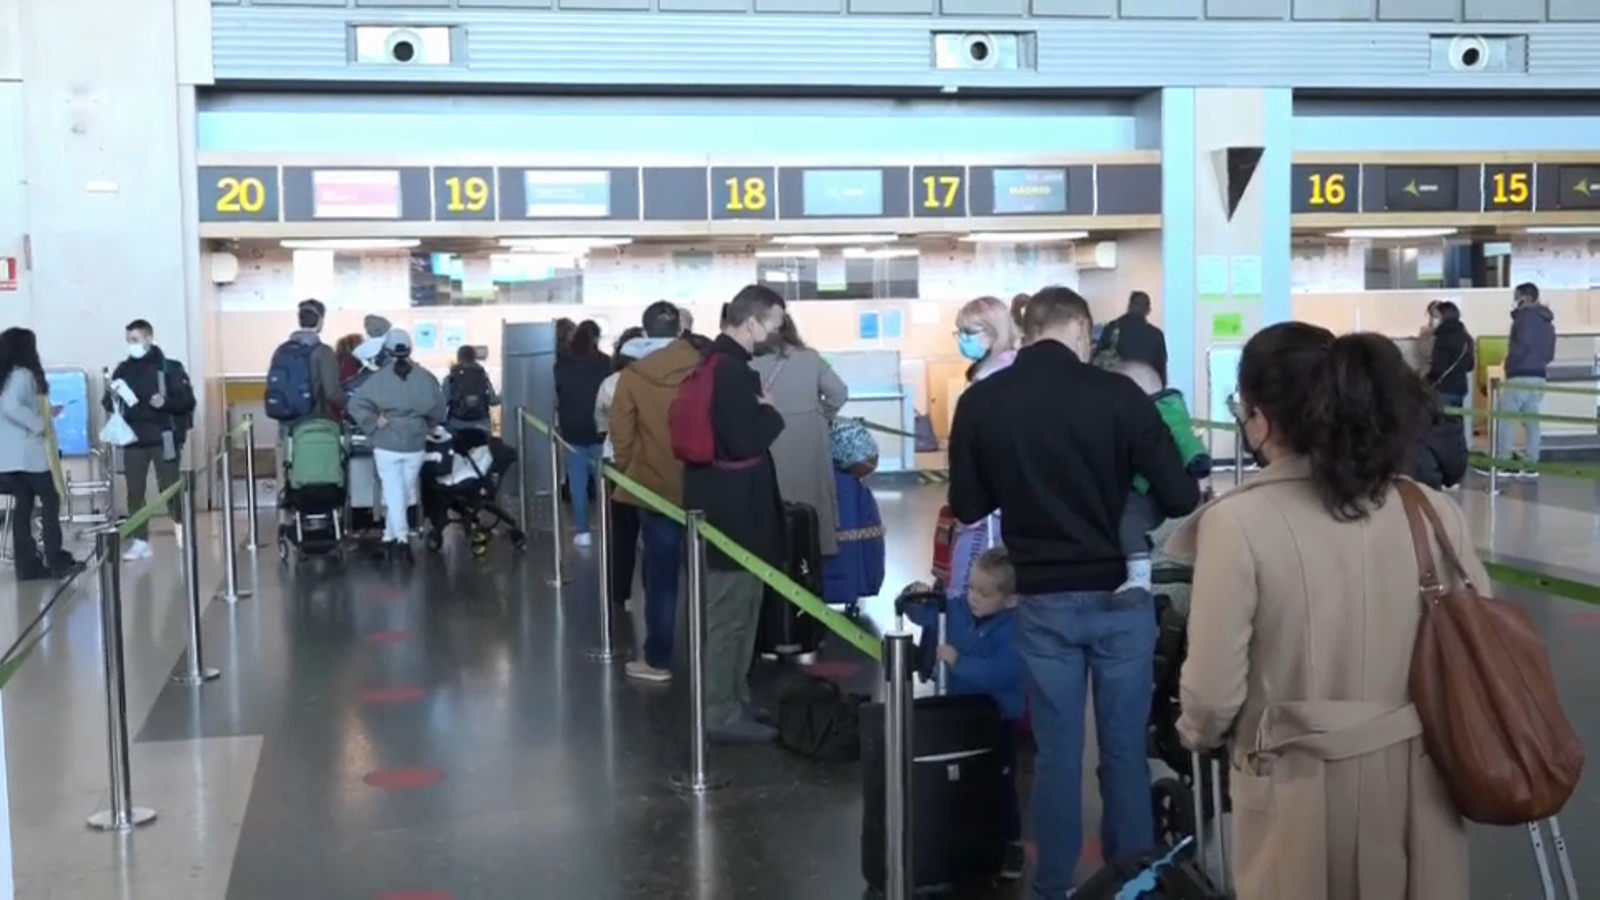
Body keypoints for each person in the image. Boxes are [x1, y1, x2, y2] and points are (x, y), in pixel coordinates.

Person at [1169, 322, 1474, 899]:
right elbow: (1475, 642)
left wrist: (1196, 733)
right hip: (1419, 785)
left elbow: (1211, 694)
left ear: (1259, 418)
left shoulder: (1238, 524)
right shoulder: (1429, 510)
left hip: (1295, 792)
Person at [947, 286, 1200, 897]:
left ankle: (1051, 888)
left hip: (1041, 602)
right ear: (1082, 331)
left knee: (1057, 759)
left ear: (1030, 330)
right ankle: (1134, 885)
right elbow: (1181, 497)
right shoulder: (1118, 395)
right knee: (1122, 756)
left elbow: (969, 504)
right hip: (1122, 600)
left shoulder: (982, 401)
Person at [680, 285, 787, 742]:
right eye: (774, 324)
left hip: (721, 501)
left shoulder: (714, 364)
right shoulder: (731, 372)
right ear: (752, 322)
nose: (776, 333)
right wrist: (772, 415)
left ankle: (734, 694)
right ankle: (719, 709)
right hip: (735, 509)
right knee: (730, 613)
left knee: (742, 608)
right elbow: (745, 439)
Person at [904, 548, 1027, 880]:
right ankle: (963, 839)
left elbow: (1005, 673)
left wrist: (959, 662)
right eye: (971, 587)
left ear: (1010, 599)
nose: (973, 597)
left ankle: (1009, 843)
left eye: (984, 593)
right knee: (958, 778)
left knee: (1000, 783)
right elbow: (926, 614)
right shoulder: (956, 609)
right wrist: (914, 596)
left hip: (996, 719)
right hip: (957, 714)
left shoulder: (1014, 630)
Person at [610, 304, 701, 683]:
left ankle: (658, 659)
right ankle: (710, 657)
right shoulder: (703, 364)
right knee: (713, 575)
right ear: (680, 328)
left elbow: (621, 431)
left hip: (654, 486)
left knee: (660, 578)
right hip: (704, 484)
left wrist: (632, 470)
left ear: (645, 332)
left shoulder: (632, 375)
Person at [1108, 360, 1210, 604]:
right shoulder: (1163, 411)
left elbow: (1186, 441)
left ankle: (1139, 576)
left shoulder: (1163, 413)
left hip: (1149, 493)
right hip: (1152, 492)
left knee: (1128, 523)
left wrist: (1197, 460)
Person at [750, 314, 849, 560]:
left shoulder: (747, 363)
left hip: (766, 438)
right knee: (812, 507)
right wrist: (819, 413)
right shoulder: (810, 358)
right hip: (809, 439)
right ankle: (810, 571)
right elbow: (839, 393)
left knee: (771, 509)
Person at [102, 319, 196, 560]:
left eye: (135, 339)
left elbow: (187, 401)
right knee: (135, 491)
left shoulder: (170, 368)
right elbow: (108, 404)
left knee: (171, 487)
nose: (131, 345)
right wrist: (111, 395)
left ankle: (181, 530)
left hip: (163, 436)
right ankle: (140, 540)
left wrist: (165, 403)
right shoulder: (122, 370)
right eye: (128, 340)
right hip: (133, 438)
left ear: (148, 338)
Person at [348, 329, 445, 560]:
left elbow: (354, 405)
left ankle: (400, 540)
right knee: (402, 492)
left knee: (394, 493)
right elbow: (439, 411)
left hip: (386, 443)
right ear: (410, 349)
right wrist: (425, 424)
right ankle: (388, 540)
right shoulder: (425, 377)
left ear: (387, 350)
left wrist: (373, 422)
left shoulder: (378, 379)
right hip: (415, 444)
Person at [0, 328, 80, 580]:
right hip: (29, 457)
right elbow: (11, 406)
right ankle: (55, 558)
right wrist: (38, 422)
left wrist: (44, 413)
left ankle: (28, 566)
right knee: (50, 501)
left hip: (9, 460)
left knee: (24, 508)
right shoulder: (23, 375)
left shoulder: (5, 376)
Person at [596, 326, 645, 612]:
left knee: (622, 531)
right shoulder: (659, 382)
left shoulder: (610, 383)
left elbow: (600, 420)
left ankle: (620, 592)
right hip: (652, 460)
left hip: (616, 460)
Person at [554, 320, 612, 545]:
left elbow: (557, 395)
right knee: (604, 483)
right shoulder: (605, 363)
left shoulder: (561, 364)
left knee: (577, 482)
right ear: (597, 339)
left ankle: (582, 531)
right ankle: (608, 528)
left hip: (572, 431)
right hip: (600, 430)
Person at [1495, 281, 1555, 475]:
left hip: (1519, 374)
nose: (1514, 301)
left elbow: (1520, 346)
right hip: (1539, 375)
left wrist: (1509, 364)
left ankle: (1504, 462)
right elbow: (1549, 354)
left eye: (1516, 296)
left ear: (1525, 297)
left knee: (1506, 420)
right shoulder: (1547, 322)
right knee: (1532, 422)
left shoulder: (1523, 318)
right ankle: (1531, 464)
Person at [1092, 290, 1169, 383]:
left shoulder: (1112, 328)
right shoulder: (1156, 335)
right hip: (1144, 389)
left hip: (1114, 387)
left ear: (1129, 306)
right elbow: (1161, 372)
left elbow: (1097, 359)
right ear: (1148, 310)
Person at [954, 295, 1019, 383]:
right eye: (960, 331)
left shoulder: (1002, 371)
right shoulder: (985, 365)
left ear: (994, 332)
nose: (962, 337)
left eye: (969, 332)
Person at [1425, 300, 1473, 412]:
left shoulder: (1442, 339)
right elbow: (1470, 365)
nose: (1432, 320)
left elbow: (1438, 369)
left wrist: (1427, 380)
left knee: (1442, 424)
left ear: (1444, 318)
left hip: (1444, 389)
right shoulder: (1465, 337)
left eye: (1436, 316)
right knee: (1456, 423)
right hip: (1460, 389)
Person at [442, 345, 501, 433]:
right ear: (474, 357)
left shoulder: (451, 376)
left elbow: (443, 401)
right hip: (481, 423)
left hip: (457, 423)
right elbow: (493, 401)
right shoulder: (481, 375)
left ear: (458, 357)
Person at [1413, 300, 1442, 373]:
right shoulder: (1425, 333)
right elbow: (1424, 354)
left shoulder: (1453, 333)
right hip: (1428, 373)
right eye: (1432, 316)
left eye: (1437, 316)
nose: (1433, 319)